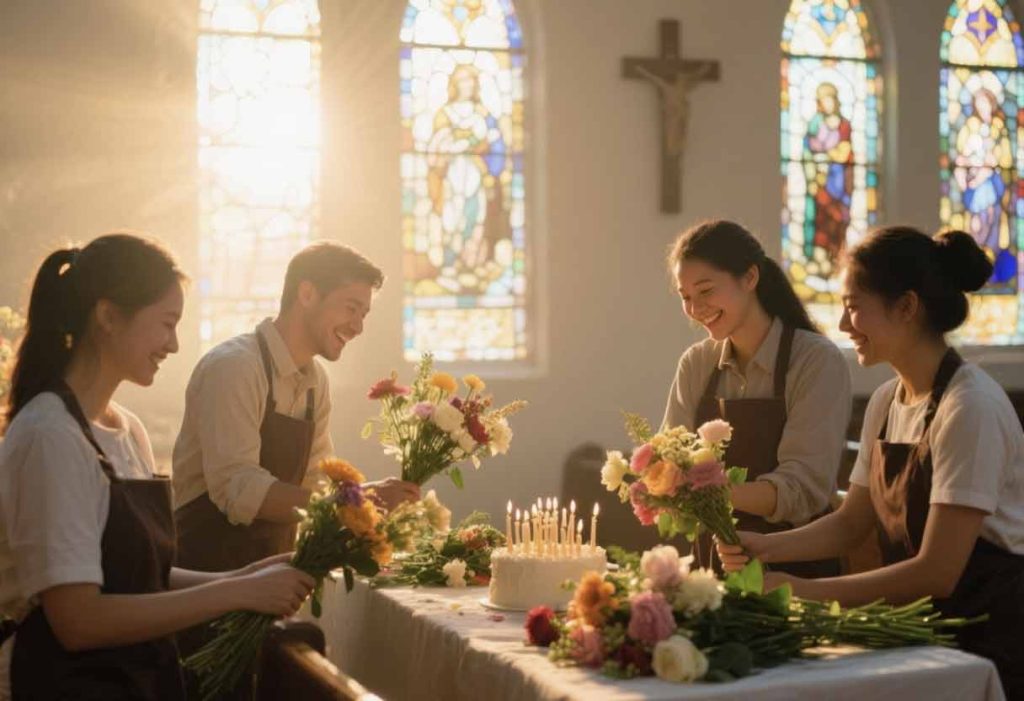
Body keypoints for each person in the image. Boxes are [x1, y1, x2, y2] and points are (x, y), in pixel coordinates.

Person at [0, 233, 314, 699]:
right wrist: (237, 594)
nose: (174, 344)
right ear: (108, 317)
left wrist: (246, 576)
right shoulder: (50, 435)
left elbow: (143, 576)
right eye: (166, 323)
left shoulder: (128, 431)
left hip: (133, 680)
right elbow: (77, 621)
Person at [718, 226, 1024, 697]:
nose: (843, 325)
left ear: (906, 307)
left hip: (986, 642)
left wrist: (798, 591)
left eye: (854, 306)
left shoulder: (970, 408)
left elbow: (937, 572)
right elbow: (851, 523)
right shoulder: (886, 400)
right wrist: (765, 547)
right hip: (920, 633)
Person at [173, 241, 419, 575]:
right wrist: (353, 502)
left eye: (363, 314)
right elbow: (236, 488)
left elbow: (316, 483)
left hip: (272, 573)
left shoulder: (316, 381)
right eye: (351, 308)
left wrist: (370, 522)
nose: (358, 327)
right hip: (204, 575)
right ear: (307, 294)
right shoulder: (235, 367)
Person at [663, 220, 850, 577]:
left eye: (705, 290)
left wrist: (705, 492)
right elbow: (669, 458)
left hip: (797, 570)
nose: (695, 308)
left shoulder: (815, 360)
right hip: (711, 567)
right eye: (685, 297)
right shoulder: (696, 363)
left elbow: (803, 488)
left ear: (749, 278)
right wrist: (660, 483)